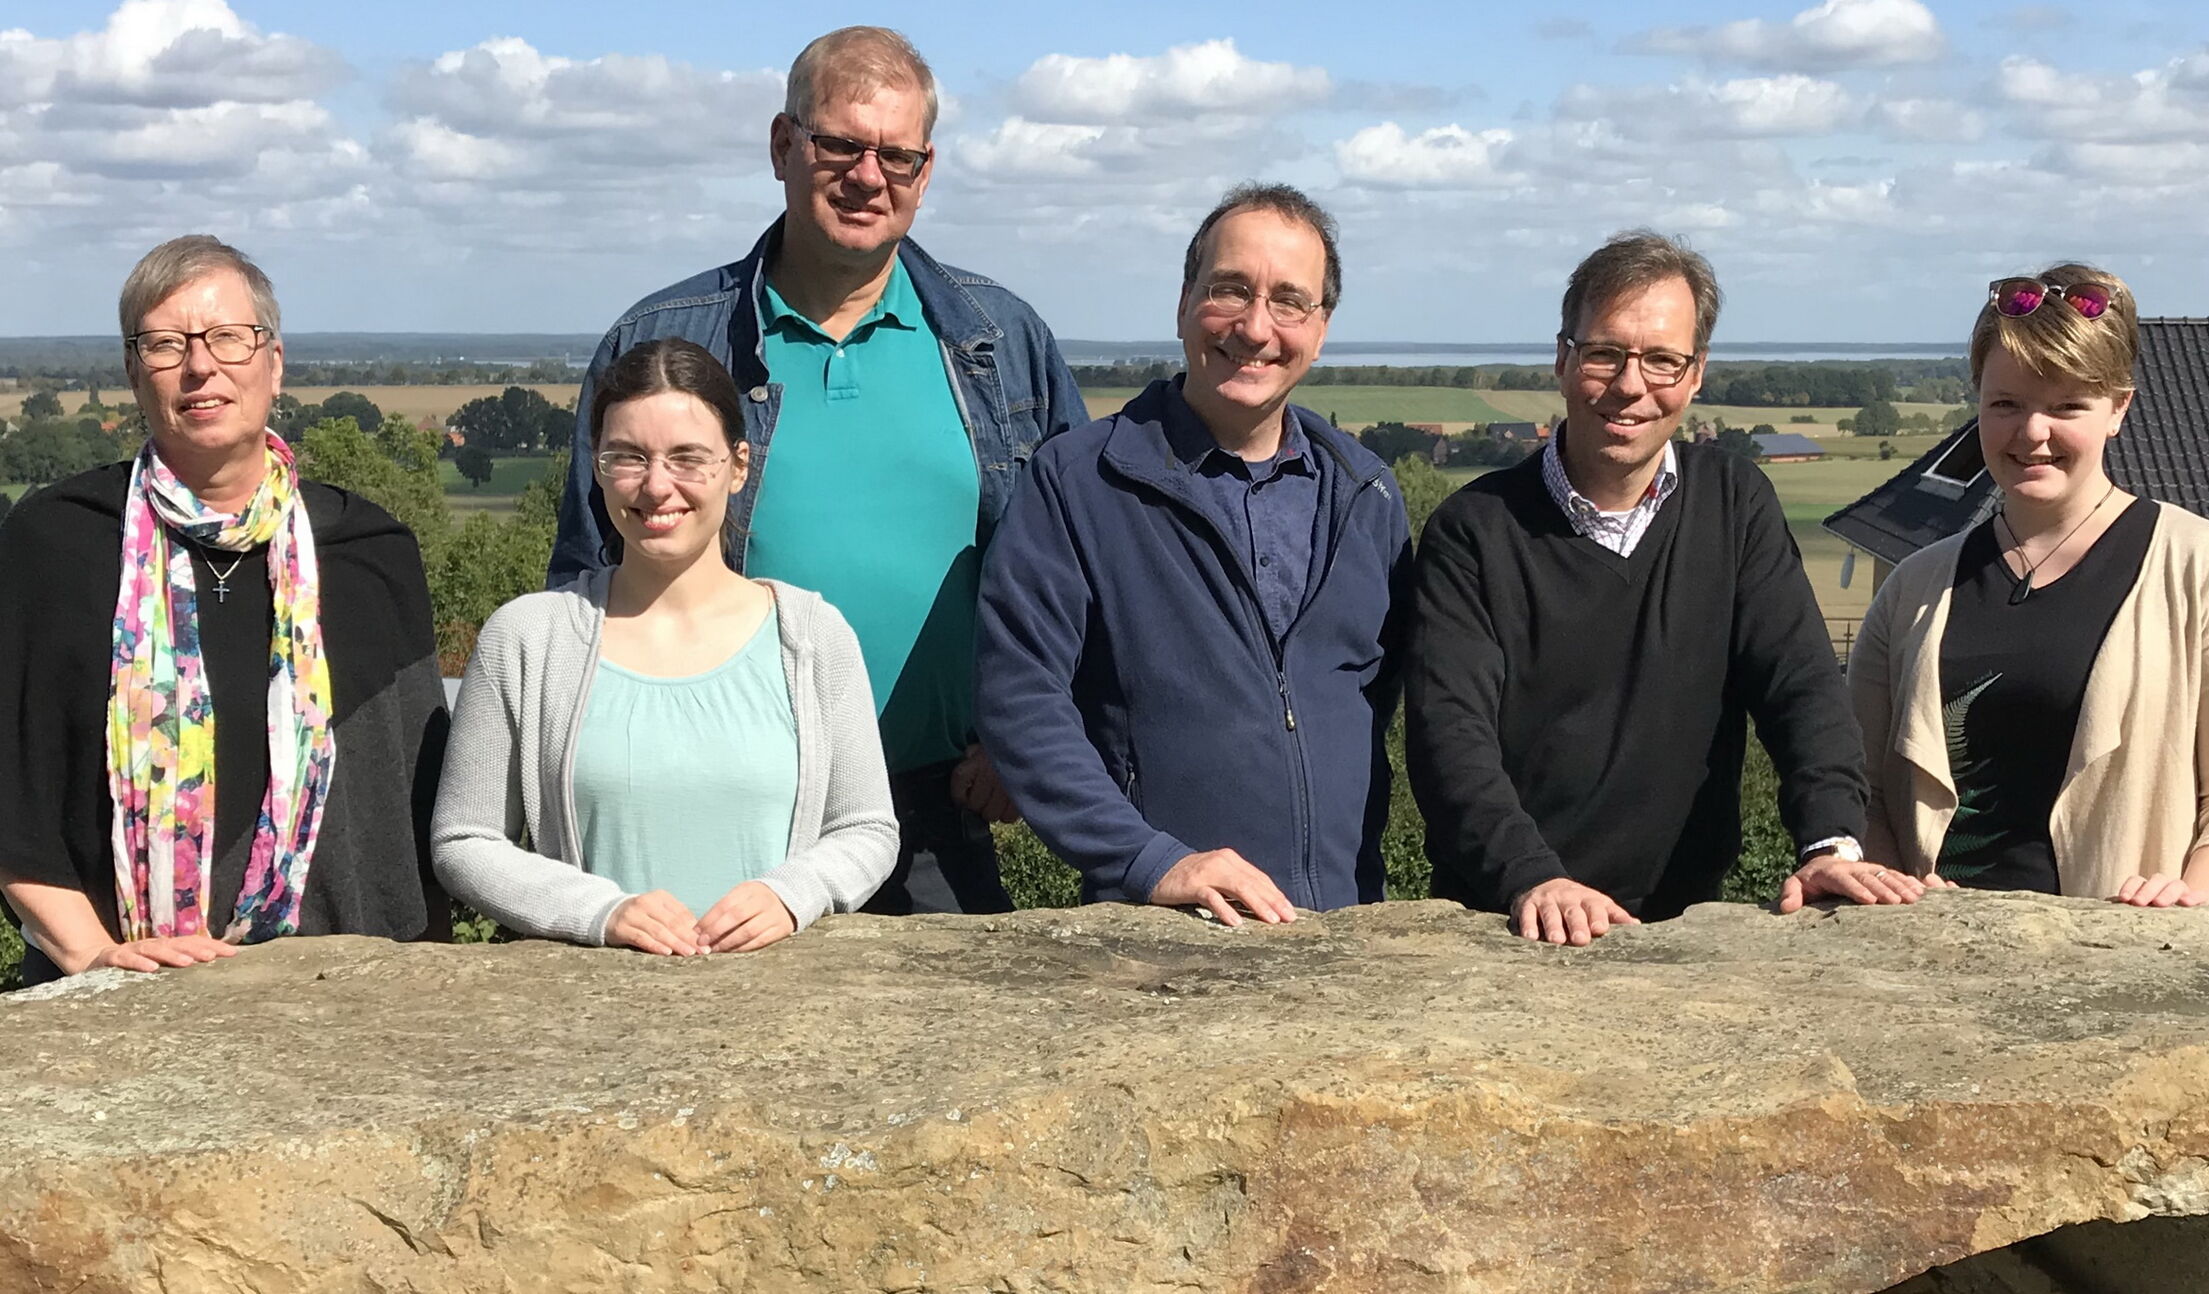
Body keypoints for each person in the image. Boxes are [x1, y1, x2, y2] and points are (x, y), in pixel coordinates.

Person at [549, 26, 1086, 916]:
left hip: (938, 813)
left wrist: (1027, 739)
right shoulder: (662, 343)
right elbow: (582, 582)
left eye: (898, 157)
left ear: (926, 170)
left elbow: (1073, 572)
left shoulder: (1004, 341)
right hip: (722, 805)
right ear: (781, 146)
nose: (868, 175)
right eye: (840, 143)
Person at [0, 235, 449, 986]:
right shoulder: (54, 544)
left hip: (336, 992)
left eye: (228, 339)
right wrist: (90, 956)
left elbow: (415, 808)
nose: (200, 366)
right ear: (132, 373)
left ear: (274, 363)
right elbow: (11, 788)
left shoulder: (371, 554)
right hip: (117, 990)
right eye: (166, 345)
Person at [1407, 230, 1871, 946]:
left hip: (1683, 926)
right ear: (1563, 360)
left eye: (1661, 361)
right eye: (1605, 354)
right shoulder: (1474, 531)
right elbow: (1449, 739)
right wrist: (1534, 876)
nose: (1631, 385)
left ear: (1696, 375)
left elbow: (1800, 685)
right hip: (1508, 926)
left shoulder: (1735, 503)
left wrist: (1830, 841)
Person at [1782, 266, 2209, 911]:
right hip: (1932, 960)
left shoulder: (2208, 572)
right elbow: (1867, 791)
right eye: (2006, 404)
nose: (2032, 432)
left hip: (2130, 954)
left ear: (2119, 408)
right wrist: (1891, 889)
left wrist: (2195, 899)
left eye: (2065, 406)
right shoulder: (1914, 589)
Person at [975, 182, 1412, 924]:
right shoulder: (1081, 482)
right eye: (1230, 290)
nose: (1255, 326)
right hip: (1160, 931)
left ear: (1321, 327)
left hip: (1342, 928)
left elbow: (1383, 698)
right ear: (1183, 304)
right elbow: (1019, 695)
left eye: (1288, 301)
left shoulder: (1364, 494)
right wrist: (1152, 862)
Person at [435, 340, 897, 953]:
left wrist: (792, 893)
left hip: (781, 1025)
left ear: (738, 467)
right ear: (596, 467)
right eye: (627, 457)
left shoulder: (813, 637)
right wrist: (602, 912)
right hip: (588, 1024)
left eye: (687, 458)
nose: (656, 486)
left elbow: (866, 829)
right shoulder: (526, 638)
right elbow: (465, 841)